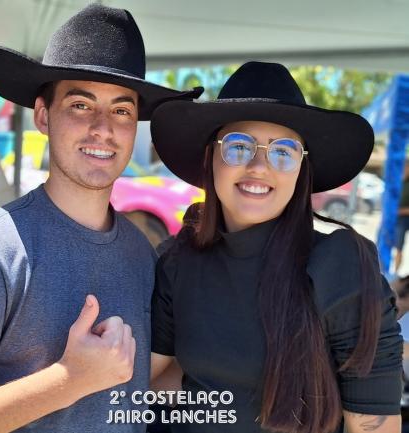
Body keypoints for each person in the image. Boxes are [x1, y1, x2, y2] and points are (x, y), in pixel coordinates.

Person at [0, 4, 201, 432]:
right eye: (81, 105)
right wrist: (67, 381)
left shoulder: (141, 253)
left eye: (121, 110)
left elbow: (130, 384)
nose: (103, 128)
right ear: (43, 116)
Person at [149, 62, 403, 433]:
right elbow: (149, 382)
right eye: (238, 146)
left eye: (283, 151)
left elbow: (374, 427)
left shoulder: (344, 266)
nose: (259, 166)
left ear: (302, 169)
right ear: (211, 158)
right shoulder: (178, 260)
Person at [394, 163, 409, 273]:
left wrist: (400, 211)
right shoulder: (397, 182)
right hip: (396, 219)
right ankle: (393, 272)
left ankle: (396, 272)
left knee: (399, 248)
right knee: (396, 247)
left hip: (404, 218)